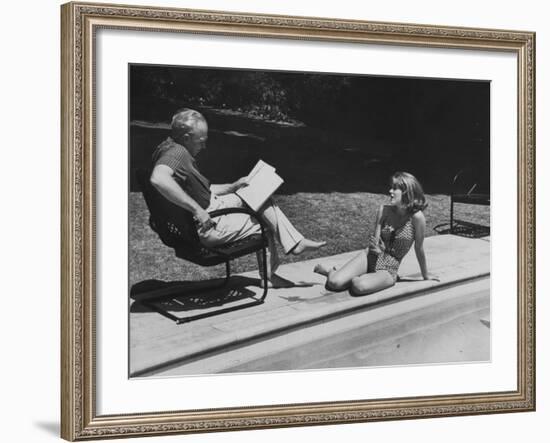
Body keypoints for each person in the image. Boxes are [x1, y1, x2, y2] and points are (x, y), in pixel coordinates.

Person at [150, 108, 326, 286]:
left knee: (259, 196)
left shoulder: (167, 147)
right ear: (187, 137)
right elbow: (158, 178)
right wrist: (197, 210)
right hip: (208, 224)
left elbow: (198, 190)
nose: (204, 146)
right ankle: (271, 275)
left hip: (205, 211)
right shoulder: (177, 153)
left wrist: (231, 186)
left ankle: (295, 243)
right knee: (263, 223)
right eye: (201, 141)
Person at [314, 171, 438, 295]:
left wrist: (425, 275)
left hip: (389, 268)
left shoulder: (417, 218)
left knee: (359, 286)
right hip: (371, 257)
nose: (390, 191)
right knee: (334, 282)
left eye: (395, 188)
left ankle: (359, 277)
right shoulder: (384, 210)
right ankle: (332, 272)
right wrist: (378, 249)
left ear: (406, 192)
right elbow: (375, 245)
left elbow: (419, 248)